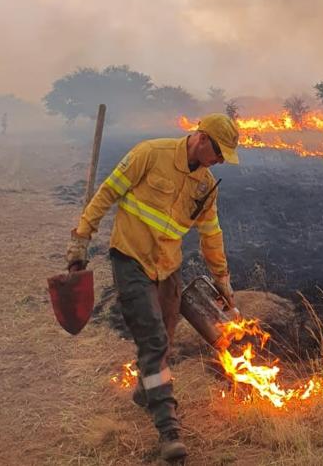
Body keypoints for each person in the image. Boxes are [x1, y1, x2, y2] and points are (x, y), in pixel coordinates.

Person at [65, 113, 239, 461]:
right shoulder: (150, 153)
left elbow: (211, 234)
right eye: (218, 153)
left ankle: (146, 392)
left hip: (167, 267)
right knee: (154, 340)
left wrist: (222, 278)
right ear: (202, 138)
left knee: (164, 341)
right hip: (130, 258)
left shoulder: (205, 185)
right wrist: (80, 241)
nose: (220, 162)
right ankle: (169, 430)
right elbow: (105, 194)